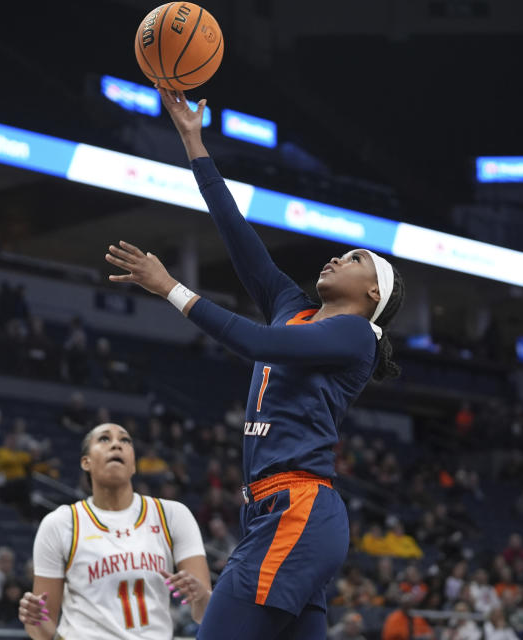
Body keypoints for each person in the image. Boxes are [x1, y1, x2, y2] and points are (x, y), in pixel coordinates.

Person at [102, 87, 404, 640]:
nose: (337, 255)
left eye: (356, 258)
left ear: (371, 296)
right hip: (273, 512)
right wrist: (195, 143)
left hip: (298, 510)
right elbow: (237, 235)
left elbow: (259, 345)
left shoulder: (355, 335)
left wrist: (170, 287)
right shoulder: (293, 305)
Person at [18, 422, 210, 639]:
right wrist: (35, 619)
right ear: (85, 462)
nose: (116, 445)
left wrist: (201, 595)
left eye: (125, 440)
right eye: (104, 439)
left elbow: (206, 615)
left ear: (133, 465)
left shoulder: (172, 515)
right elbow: (42, 631)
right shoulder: (60, 523)